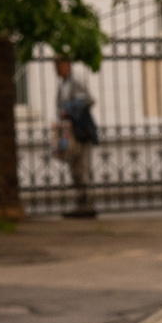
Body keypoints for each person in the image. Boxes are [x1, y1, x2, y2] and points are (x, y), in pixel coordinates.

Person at [51, 57, 98, 218]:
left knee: (81, 166)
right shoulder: (62, 84)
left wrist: (69, 110)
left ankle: (86, 203)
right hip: (69, 132)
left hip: (80, 131)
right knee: (74, 167)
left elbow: (88, 100)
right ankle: (80, 203)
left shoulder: (75, 81)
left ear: (66, 65)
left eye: (58, 66)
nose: (56, 70)